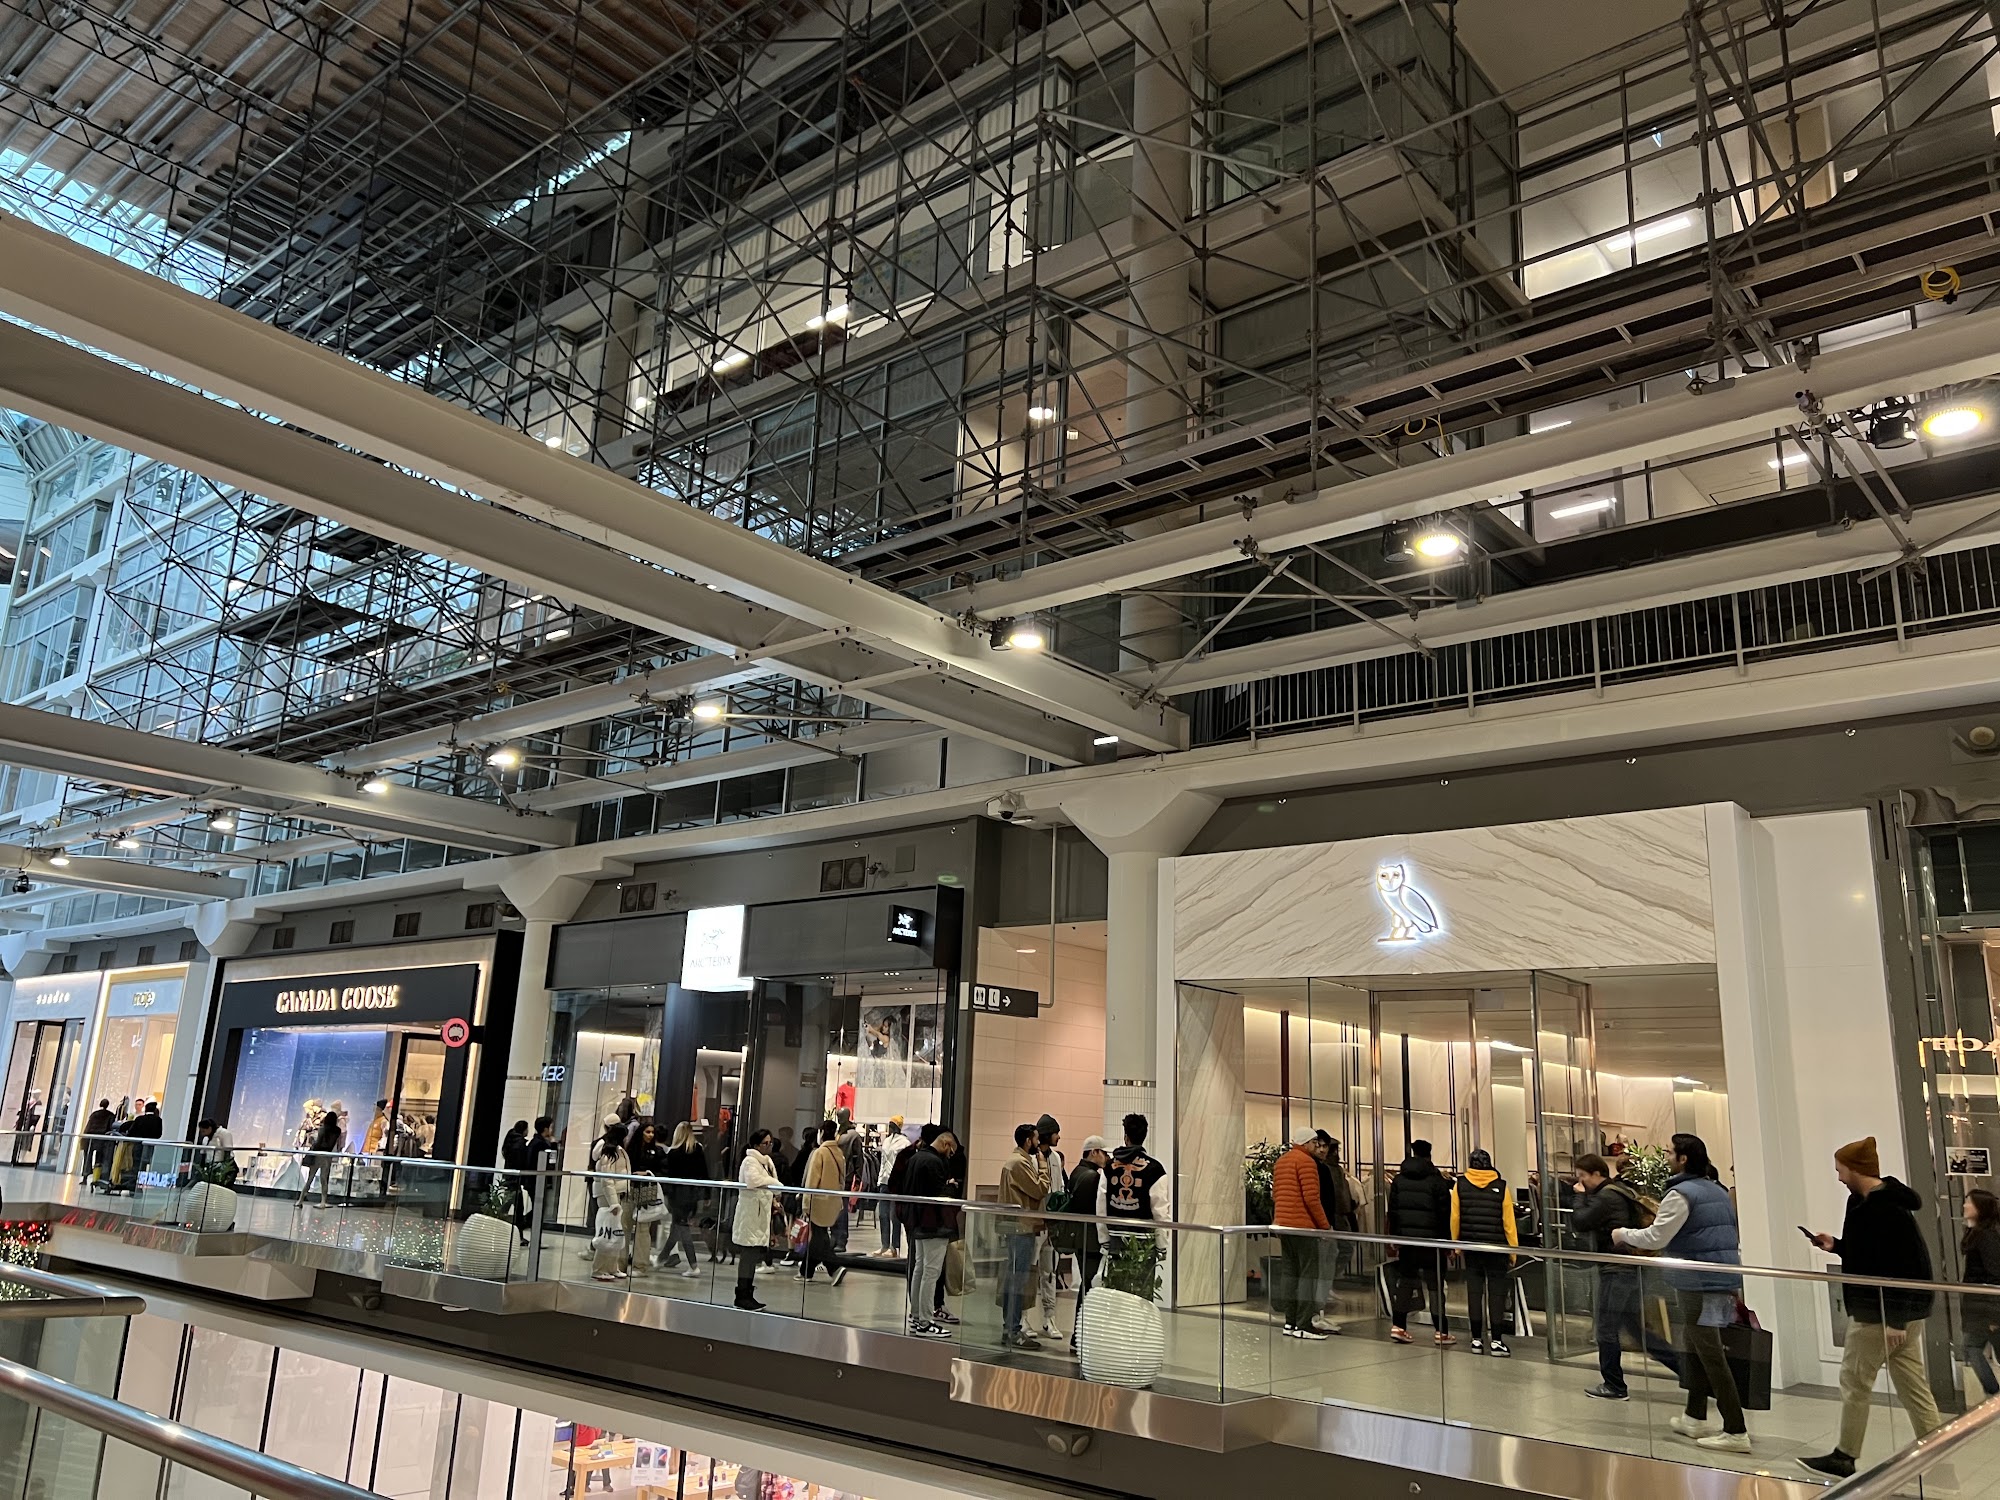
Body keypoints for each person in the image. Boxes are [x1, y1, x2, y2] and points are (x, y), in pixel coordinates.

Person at [1798, 1136, 1942, 1479]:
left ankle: (1845, 1456)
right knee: (1913, 1386)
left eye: (1841, 1170)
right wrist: (1836, 1246)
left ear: (1855, 1169)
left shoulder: (1884, 1208)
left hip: (1880, 1313)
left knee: (1854, 1379)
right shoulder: (1865, 1202)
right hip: (1895, 1311)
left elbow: (1906, 1266)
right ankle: (1939, 1452)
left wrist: (1895, 1320)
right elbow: (1871, 1254)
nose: (1838, 1177)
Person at [1612, 1132, 1752, 1454]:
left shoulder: (1681, 1194)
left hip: (1697, 1284)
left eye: (1669, 1152)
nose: (1666, 1158)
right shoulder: (1716, 1190)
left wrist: (1623, 1234)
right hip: (1721, 1280)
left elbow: (1657, 1236)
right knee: (1698, 1348)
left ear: (1683, 1158)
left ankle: (1735, 1429)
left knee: (1710, 1354)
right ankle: (1694, 1416)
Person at [1570, 1152, 1680, 1399]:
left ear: (1597, 1174)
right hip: (1629, 1268)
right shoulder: (1620, 1192)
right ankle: (1690, 1374)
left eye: (1583, 1176)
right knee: (1636, 1329)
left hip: (1616, 1270)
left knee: (1606, 1328)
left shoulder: (1606, 1197)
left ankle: (1614, 1385)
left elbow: (1580, 1221)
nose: (1580, 1181)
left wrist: (1579, 1197)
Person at [1386, 1140, 1454, 1347]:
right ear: (1429, 1155)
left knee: (1406, 1283)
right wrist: (1447, 1244)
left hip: (1408, 1242)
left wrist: (1395, 1238)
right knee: (1435, 1286)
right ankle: (1441, 1332)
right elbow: (1444, 1215)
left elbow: (1393, 1212)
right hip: (1432, 1243)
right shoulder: (1437, 1181)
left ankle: (1398, 1326)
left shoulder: (1399, 1180)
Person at [1450, 1148, 1517, 1356]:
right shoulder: (1501, 1186)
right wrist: (1513, 1251)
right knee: (1496, 1294)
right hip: (1497, 1248)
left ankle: (1476, 1340)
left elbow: (1455, 1217)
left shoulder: (1460, 1184)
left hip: (1472, 1248)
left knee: (1474, 1292)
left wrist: (1457, 1245)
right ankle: (1496, 1340)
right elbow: (1509, 1222)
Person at [1271, 1127, 1336, 1339]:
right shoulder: (1306, 1162)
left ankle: (1289, 1322)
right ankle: (1304, 1325)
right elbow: (1311, 1198)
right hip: (1303, 1227)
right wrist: (1324, 1226)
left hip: (1284, 1225)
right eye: (1314, 1142)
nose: (1317, 1146)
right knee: (1308, 1275)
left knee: (1289, 1274)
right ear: (1306, 1143)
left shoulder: (1281, 1161)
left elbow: (1276, 1195)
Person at [902, 1126, 961, 1338]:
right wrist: (951, 1186)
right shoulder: (934, 1162)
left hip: (917, 1223)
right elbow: (940, 1195)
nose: (950, 1155)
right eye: (951, 1150)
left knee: (920, 1269)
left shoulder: (915, 1158)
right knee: (931, 1272)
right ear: (946, 1144)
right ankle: (925, 1322)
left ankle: (916, 1315)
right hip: (934, 1224)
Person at [998, 1122, 1049, 1349]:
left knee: (1015, 1277)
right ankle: (1012, 1329)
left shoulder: (1017, 1161)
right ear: (1028, 1141)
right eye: (1036, 1138)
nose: (1038, 1143)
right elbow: (1040, 1189)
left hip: (1018, 1227)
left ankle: (1011, 1327)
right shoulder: (1019, 1163)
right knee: (1018, 1279)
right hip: (1021, 1228)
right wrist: (1043, 1165)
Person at [1064, 1136, 1111, 1353]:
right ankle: (1080, 1336)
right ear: (1094, 1152)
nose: (1106, 1158)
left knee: (1087, 1286)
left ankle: (1079, 1335)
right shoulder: (1092, 1177)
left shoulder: (1076, 1172)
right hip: (1091, 1240)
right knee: (1090, 1288)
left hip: (1079, 1239)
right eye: (1104, 1153)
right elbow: (1096, 1210)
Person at [730, 1129, 782, 1309]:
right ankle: (742, 1294)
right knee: (748, 1255)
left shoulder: (767, 1162)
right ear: (756, 1145)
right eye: (765, 1143)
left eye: (770, 1142)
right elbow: (754, 1181)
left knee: (753, 1256)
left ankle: (747, 1293)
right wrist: (775, 1185)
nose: (769, 1146)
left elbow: (765, 1183)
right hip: (751, 1215)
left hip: (761, 1215)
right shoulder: (750, 1161)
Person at [1962, 1188, 2000, 1398]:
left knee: (1971, 1347)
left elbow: (1995, 1275)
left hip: (1986, 1308)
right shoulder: (1978, 1234)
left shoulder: (1986, 1237)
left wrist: (1993, 1313)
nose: (1965, 1205)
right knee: (1971, 1347)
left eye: (1969, 1202)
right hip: (1981, 1307)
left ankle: (1994, 1395)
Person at [1097, 1113, 1169, 1224]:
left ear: (1126, 1138)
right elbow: (1160, 1213)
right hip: (1144, 1232)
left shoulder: (1109, 1167)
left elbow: (1101, 1206)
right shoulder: (1155, 1170)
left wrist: (1103, 1234)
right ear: (1144, 1137)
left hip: (1114, 1231)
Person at [802, 1120, 849, 1285]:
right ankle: (806, 1271)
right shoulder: (839, 1153)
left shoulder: (820, 1153)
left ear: (821, 1133)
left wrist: (806, 1202)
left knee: (819, 1237)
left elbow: (812, 1181)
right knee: (819, 1236)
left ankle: (834, 1267)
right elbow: (842, 1179)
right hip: (833, 1200)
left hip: (818, 1201)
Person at [1035, 1113, 1068, 1340]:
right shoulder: (1031, 1157)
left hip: (1052, 1223)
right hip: (1035, 1222)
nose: (1059, 1137)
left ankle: (1050, 1316)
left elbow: (1060, 1186)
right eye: (1056, 1132)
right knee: (1030, 1272)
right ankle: (1023, 1317)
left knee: (1049, 1272)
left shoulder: (1055, 1158)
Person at [587, 1115, 633, 1281]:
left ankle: (612, 1267)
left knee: (615, 1232)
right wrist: (614, 1203)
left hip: (616, 1194)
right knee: (607, 1233)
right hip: (608, 1196)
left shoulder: (618, 1151)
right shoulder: (609, 1153)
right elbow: (607, 1180)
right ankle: (599, 1268)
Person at [660, 1121, 708, 1278]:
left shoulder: (673, 1153)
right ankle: (661, 1258)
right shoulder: (698, 1149)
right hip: (693, 1193)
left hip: (678, 1194)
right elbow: (704, 1172)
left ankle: (693, 1265)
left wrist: (668, 1196)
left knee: (682, 1227)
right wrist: (706, 1195)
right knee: (677, 1228)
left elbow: (670, 1177)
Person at [623, 1119, 666, 1271]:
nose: (650, 1135)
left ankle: (640, 1265)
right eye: (647, 1132)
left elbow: (663, 1171)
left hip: (647, 1192)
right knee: (624, 1226)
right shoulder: (630, 1150)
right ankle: (620, 1263)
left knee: (643, 1230)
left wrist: (647, 1173)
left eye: (652, 1132)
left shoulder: (658, 1152)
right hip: (629, 1190)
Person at [874, 1115, 909, 1257]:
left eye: (893, 1124)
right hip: (884, 1181)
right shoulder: (886, 1141)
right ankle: (884, 1245)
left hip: (896, 1183)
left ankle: (894, 1247)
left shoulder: (904, 1143)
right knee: (882, 1214)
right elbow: (883, 1161)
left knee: (895, 1216)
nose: (890, 1127)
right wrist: (879, 1180)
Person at [832, 1107, 864, 1253]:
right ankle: (834, 1238)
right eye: (838, 1116)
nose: (839, 1119)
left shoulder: (853, 1136)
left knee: (842, 1210)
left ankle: (841, 1239)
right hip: (833, 1176)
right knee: (833, 1209)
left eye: (841, 1116)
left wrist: (858, 1178)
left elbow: (859, 1159)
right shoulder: (836, 1133)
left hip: (845, 1177)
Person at [297, 1108, 341, 1207]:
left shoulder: (322, 1129)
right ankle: (323, 1201)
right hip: (328, 1156)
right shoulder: (337, 1131)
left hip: (318, 1154)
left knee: (310, 1178)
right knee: (324, 1180)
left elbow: (318, 1143)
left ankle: (300, 1200)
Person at [81, 1099, 116, 1183]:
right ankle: (97, 1178)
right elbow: (111, 1128)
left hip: (90, 1138)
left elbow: (88, 1126)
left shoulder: (94, 1114)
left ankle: (85, 1177)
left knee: (87, 1158)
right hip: (102, 1139)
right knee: (100, 1158)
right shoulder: (110, 1115)